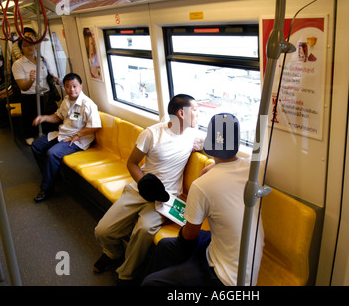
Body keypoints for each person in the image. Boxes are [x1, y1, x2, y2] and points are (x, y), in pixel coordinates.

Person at [141, 113, 264, 286]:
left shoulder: (201, 185)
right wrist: (215, 165)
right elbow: (236, 162)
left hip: (225, 279)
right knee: (164, 246)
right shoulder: (253, 168)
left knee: (150, 283)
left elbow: (190, 235)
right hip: (242, 265)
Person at [93, 94, 200, 285]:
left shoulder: (192, 133)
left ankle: (126, 274)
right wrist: (144, 184)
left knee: (143, 230)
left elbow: (206, 145)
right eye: (196, 110)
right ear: (181, 113)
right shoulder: (151, 134)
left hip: (166, 197)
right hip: (141, 188)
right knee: (102, 230)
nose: (199, 114)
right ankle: (112, 253)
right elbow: (132, 163)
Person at [31, 73, 101, 202]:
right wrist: (44, 118)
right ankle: (54, 176)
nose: (71, 89)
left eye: (74, 86)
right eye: (68, 86)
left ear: (81, 86)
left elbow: (95, 126)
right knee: (36, 145)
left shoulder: (88, 104)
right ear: (64, 87)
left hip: (78, 139)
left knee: (52, 153)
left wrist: (77, 134)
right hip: (63, 134)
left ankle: (47, 189)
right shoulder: (66, 100)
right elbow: (58, 117)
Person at [12, 36, 60, 145]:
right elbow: (23, 87)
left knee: (51, 121)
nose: (30, 47)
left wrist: (56, 79)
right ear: (21, 48)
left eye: (32, 44)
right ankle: (30, 137)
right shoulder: (18, 64)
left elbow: (49, 75)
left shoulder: (42, 60)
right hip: (30, 97)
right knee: (31, 122)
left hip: (46, 96)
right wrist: (31, 80)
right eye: (26, 45)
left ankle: (49, 139)